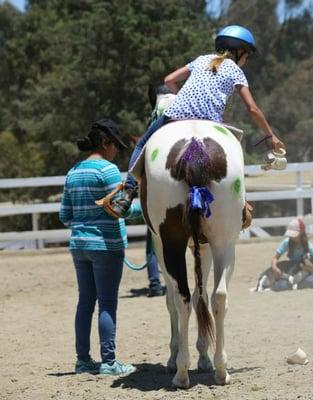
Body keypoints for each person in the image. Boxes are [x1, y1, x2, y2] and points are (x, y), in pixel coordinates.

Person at [109, 25, 286, 217]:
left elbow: (169, 80)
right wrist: (270, 135)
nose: (246, 59)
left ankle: (127, 193)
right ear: (239, 50)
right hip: (210, 121)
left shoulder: (201, 59)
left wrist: (183, 99)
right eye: (247, 55)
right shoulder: (236, 71)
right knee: (234, 150)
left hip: (175, 115)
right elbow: (253, 109)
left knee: (142, 143)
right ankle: (240, 204)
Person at [59, 119, 140, 375]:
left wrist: (85, 221)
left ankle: (83, 360)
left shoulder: (74, 171)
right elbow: (120, 210)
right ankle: (109, 362)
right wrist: (147, 210)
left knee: (85, 302)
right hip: (106, 246)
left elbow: (64, 215)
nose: (117, 150)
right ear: (105, 143)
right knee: (107, 303)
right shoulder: (108, 170)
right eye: (115, 145)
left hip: (79, 245)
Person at [266, 218, 313, 291]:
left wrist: (305, 268)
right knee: (281, 287)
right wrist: (275, 268)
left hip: (304, 273)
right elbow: (275, 258)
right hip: (290, 271)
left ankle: (294, 284)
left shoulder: (309, 247)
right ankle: (292, 284)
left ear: (301, 232)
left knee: (311, 282)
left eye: (294, 234)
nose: (292, 237)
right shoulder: (287, 242)